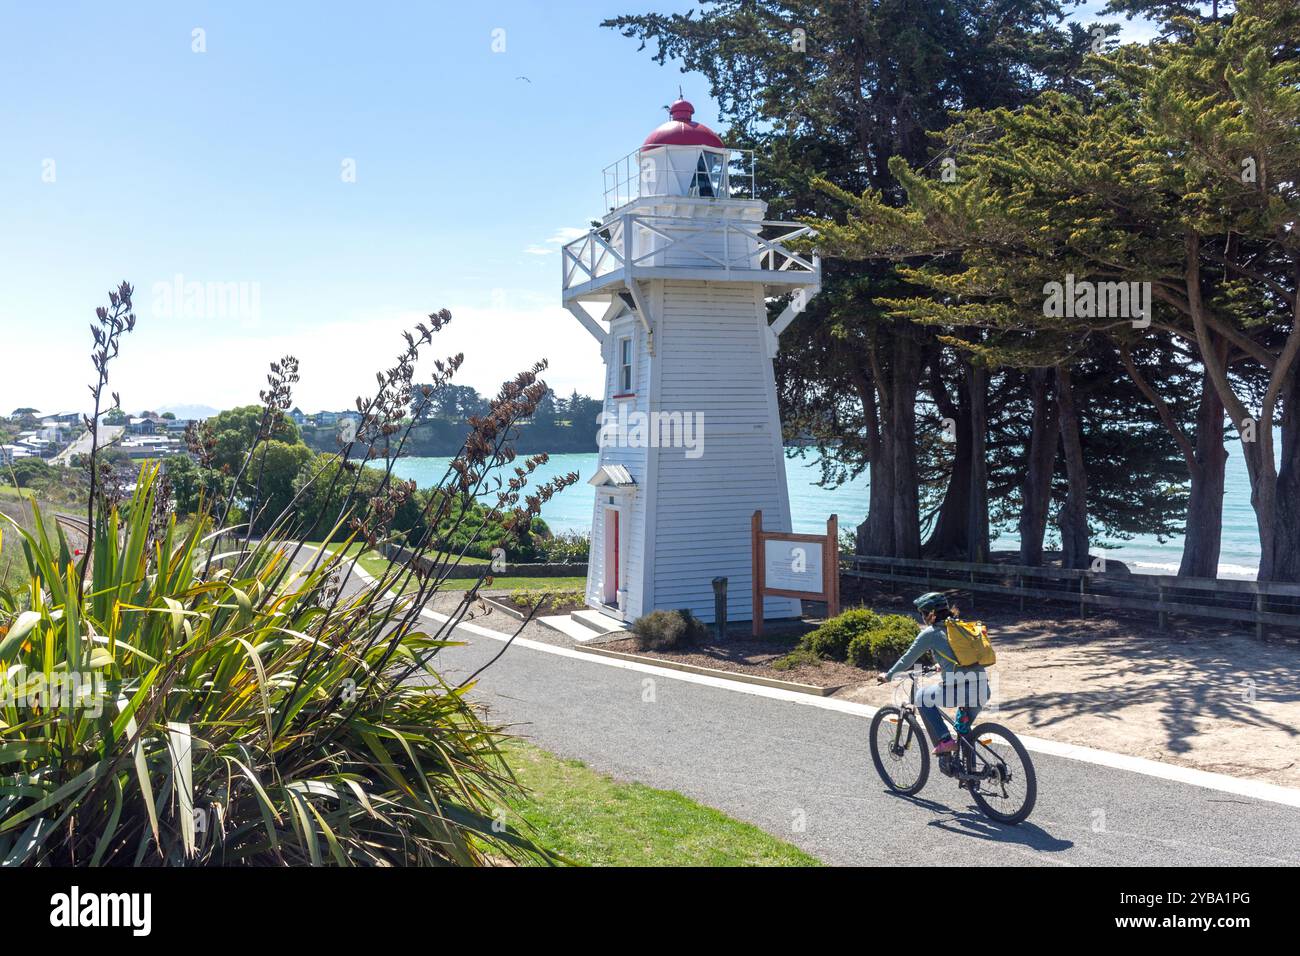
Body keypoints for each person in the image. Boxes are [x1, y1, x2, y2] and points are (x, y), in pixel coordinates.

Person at [876, 591, 987, 756]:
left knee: (921, 697)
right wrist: (941, 665)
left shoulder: (931, 633)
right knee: (963, 731)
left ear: (931, 614)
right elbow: (962, 655)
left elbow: (907, 659)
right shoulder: (960, 626)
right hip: (983, 689)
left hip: (960, 690)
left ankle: (944, 740)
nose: (923, 617)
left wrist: (889, 675)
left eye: (923, 613)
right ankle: (971, 777)